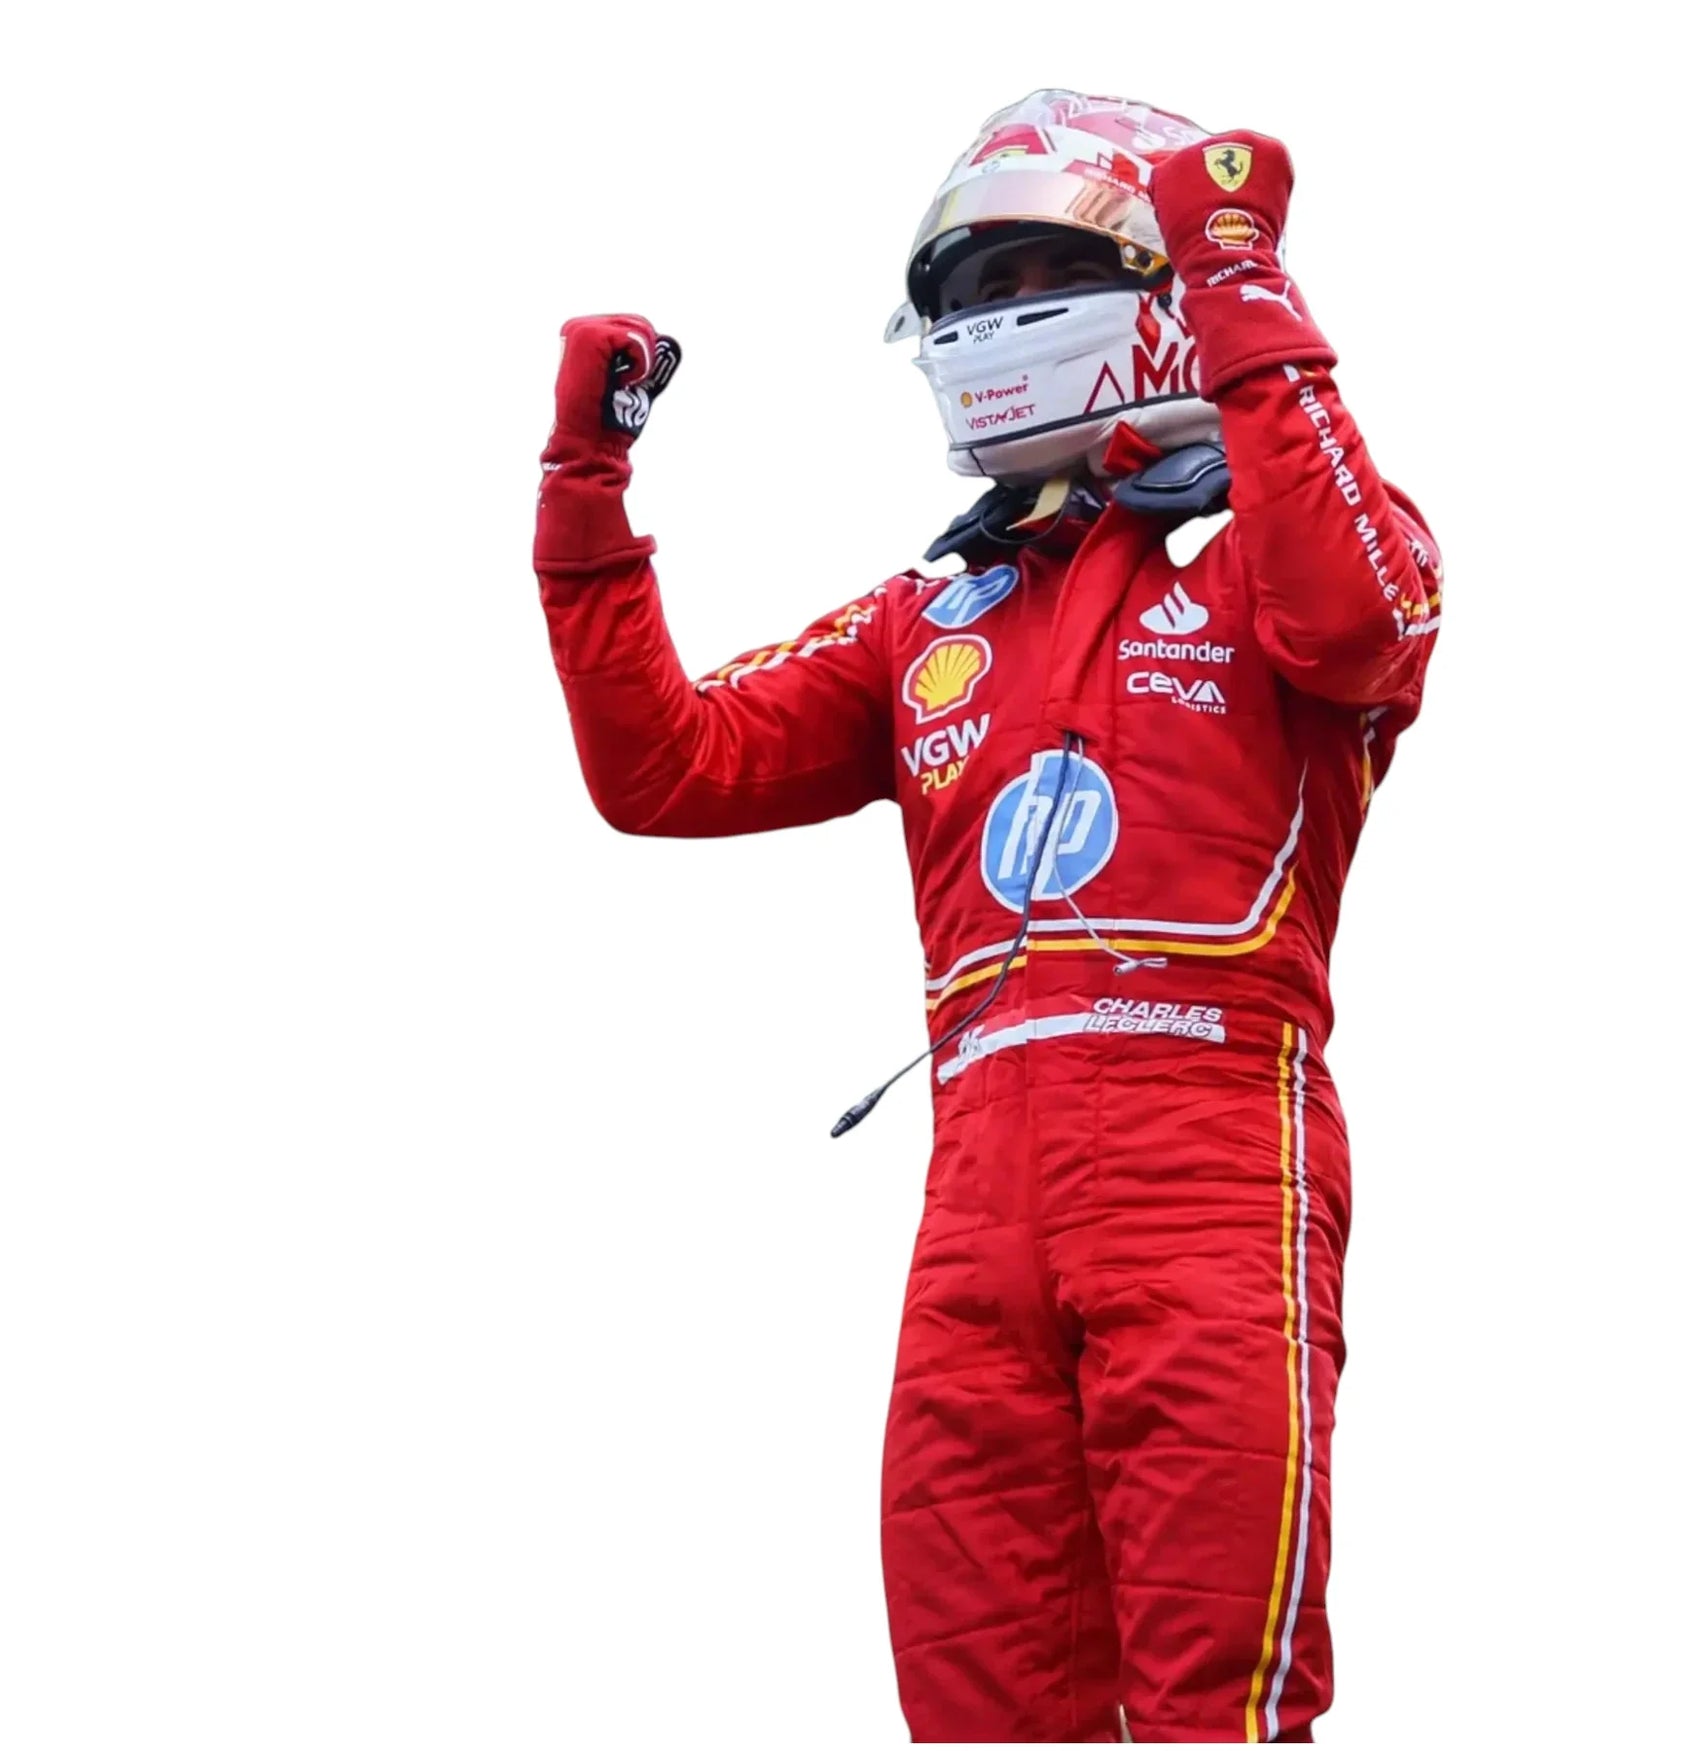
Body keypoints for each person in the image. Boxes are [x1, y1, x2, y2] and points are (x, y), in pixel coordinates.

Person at [533, 90, 1441, 1744]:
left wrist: (1240, 275)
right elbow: (662, 768)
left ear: (1153, 283)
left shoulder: (1274, 543)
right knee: (975, 1708)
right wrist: (584, 491)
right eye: (956, 298)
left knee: (1211, 1702)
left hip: (1211, 1152)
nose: (987, 322)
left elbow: (1363, 630)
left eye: (1030, 272)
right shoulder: (930, 611)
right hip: (976, 1199)